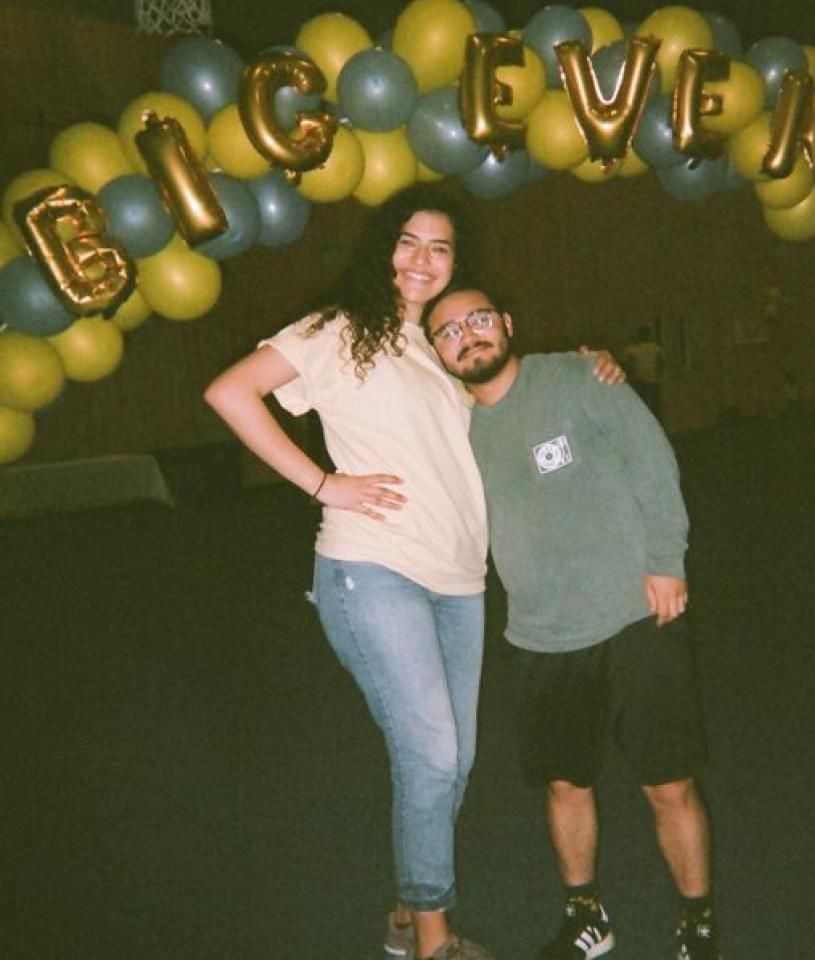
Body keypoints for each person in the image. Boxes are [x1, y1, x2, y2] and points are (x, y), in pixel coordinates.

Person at [204, 187, 622, 960]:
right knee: (431, 752)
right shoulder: (336, 330)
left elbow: (517, 395)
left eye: (440, 248)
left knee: (453, 758)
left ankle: (405, 908)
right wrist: (325, 485)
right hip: (372, 568)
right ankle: (434, 940)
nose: (422, 260)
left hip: (461, 581)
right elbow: (231, 392)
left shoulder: (441, 346)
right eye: (408, 242)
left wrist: (591, 366)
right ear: (381, 249)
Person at [423, 283, 722, 960]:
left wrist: (666, 560)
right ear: (437, 350)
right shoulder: (449, 429)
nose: (467, 335)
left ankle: (696, 928)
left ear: (506, 321)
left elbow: (653, 463)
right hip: (540, 637)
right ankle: (588, 915)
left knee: (669, 785)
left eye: (478, 319)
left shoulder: (580, 376)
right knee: (565, 784)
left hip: (635, 617)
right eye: (448, 331)